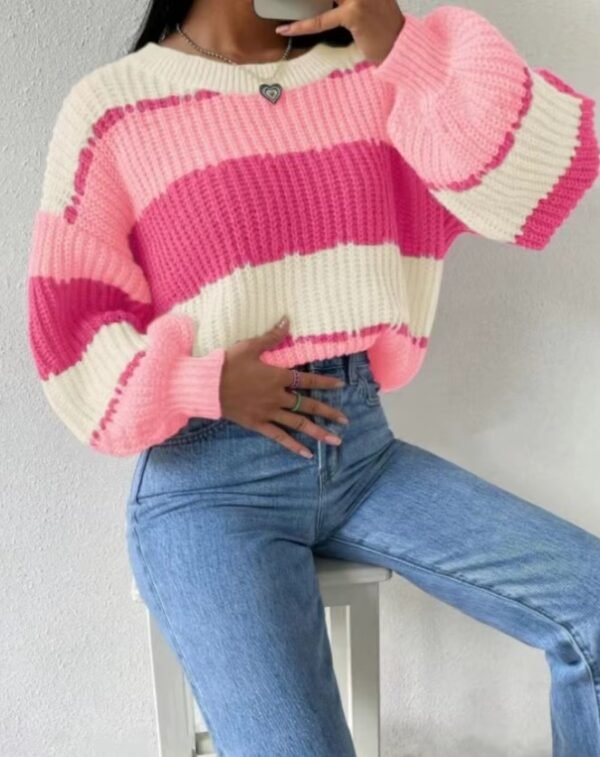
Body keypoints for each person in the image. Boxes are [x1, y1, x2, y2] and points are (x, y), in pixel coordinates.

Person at [26, 0, 600, 754]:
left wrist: (403, 46)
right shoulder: (113, 106)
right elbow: (68, 326)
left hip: (362, 454)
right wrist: (202, 385)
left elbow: (533, 173)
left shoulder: (371, 68)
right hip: (209, 483)